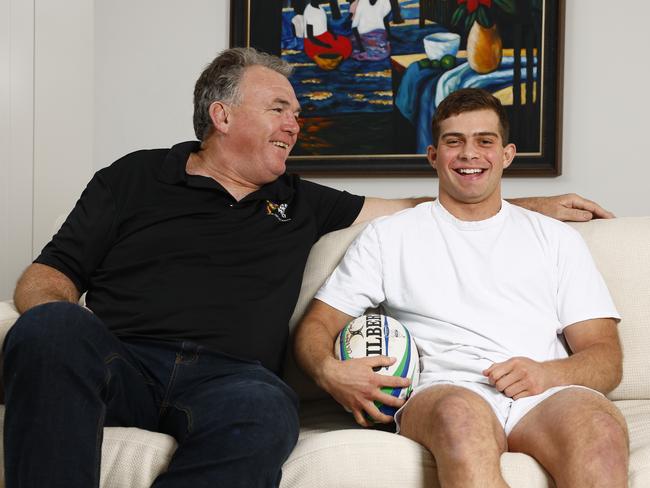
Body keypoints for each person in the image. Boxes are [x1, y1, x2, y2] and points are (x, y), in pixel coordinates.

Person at [3, 47, 612, 488]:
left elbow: (427, 206)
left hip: (232, 380)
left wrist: (529, 207)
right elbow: (45, 276)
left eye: (295, 112)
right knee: (46, 327)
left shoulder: (301, 199)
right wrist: (59, 323)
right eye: (279, 109)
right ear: (221, 115)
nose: (296, 124)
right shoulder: (133, 176)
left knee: (269, 408)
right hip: (124, 360)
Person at [294, 88, 629, 487]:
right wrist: (332, 373)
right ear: (434, 156)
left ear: (506, 155)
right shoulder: (388, 236)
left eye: (484, 141)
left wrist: (548, 374)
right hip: (444, 389)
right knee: (460, 419)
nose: (470, 154)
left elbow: (606, 357)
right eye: (454, 142)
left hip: (543, 393)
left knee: (599, 429)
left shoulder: (557, 239)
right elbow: (317, 324)